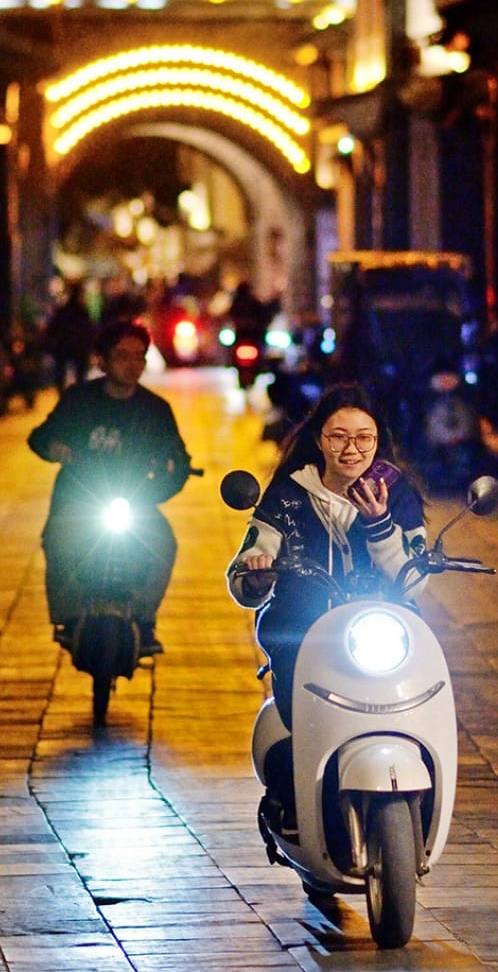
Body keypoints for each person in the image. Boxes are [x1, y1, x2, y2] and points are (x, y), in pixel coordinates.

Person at [226, 385, 429, 733]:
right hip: (305, 634)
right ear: (319, 441)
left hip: (383, 634)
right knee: (302, 723)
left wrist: (380, 526)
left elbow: (413, 583)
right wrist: (257, 576)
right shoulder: (288, 494)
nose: (351, 449)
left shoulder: (396, 493)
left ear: (377, 441)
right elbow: (246, 568)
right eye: (338, 437)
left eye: (364, 438)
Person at [28, 317, 192, 657]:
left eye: (139, 357)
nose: (132, 365)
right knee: (57, 540)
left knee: (164, 544)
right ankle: (68, 617)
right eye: (121, 356)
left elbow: (179, 462)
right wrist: (55, 447)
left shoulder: (155, 410)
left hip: (134, 502)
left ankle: (143, 620)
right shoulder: (79, 400)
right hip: (78, 500)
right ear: (101, 360)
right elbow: (39, 437)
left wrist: (155, 489)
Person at [42, 281, 96, 392]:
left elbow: (52, 329)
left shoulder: (64, 311)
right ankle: (78, 395)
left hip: (64, 348)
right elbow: (89, 331)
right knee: (80, 375)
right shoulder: (82, 312)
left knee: (61, 373)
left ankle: (64, 394)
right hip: (78, 348)